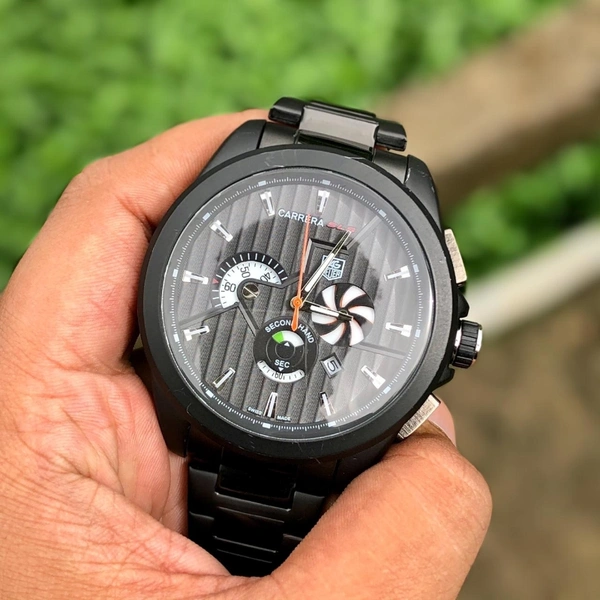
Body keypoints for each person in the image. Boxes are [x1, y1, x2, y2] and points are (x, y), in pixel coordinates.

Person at [0, 111, 492, 599]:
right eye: (271, 294)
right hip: (207, 421)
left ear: (451, 340)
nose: (295, 305)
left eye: (307, 306)